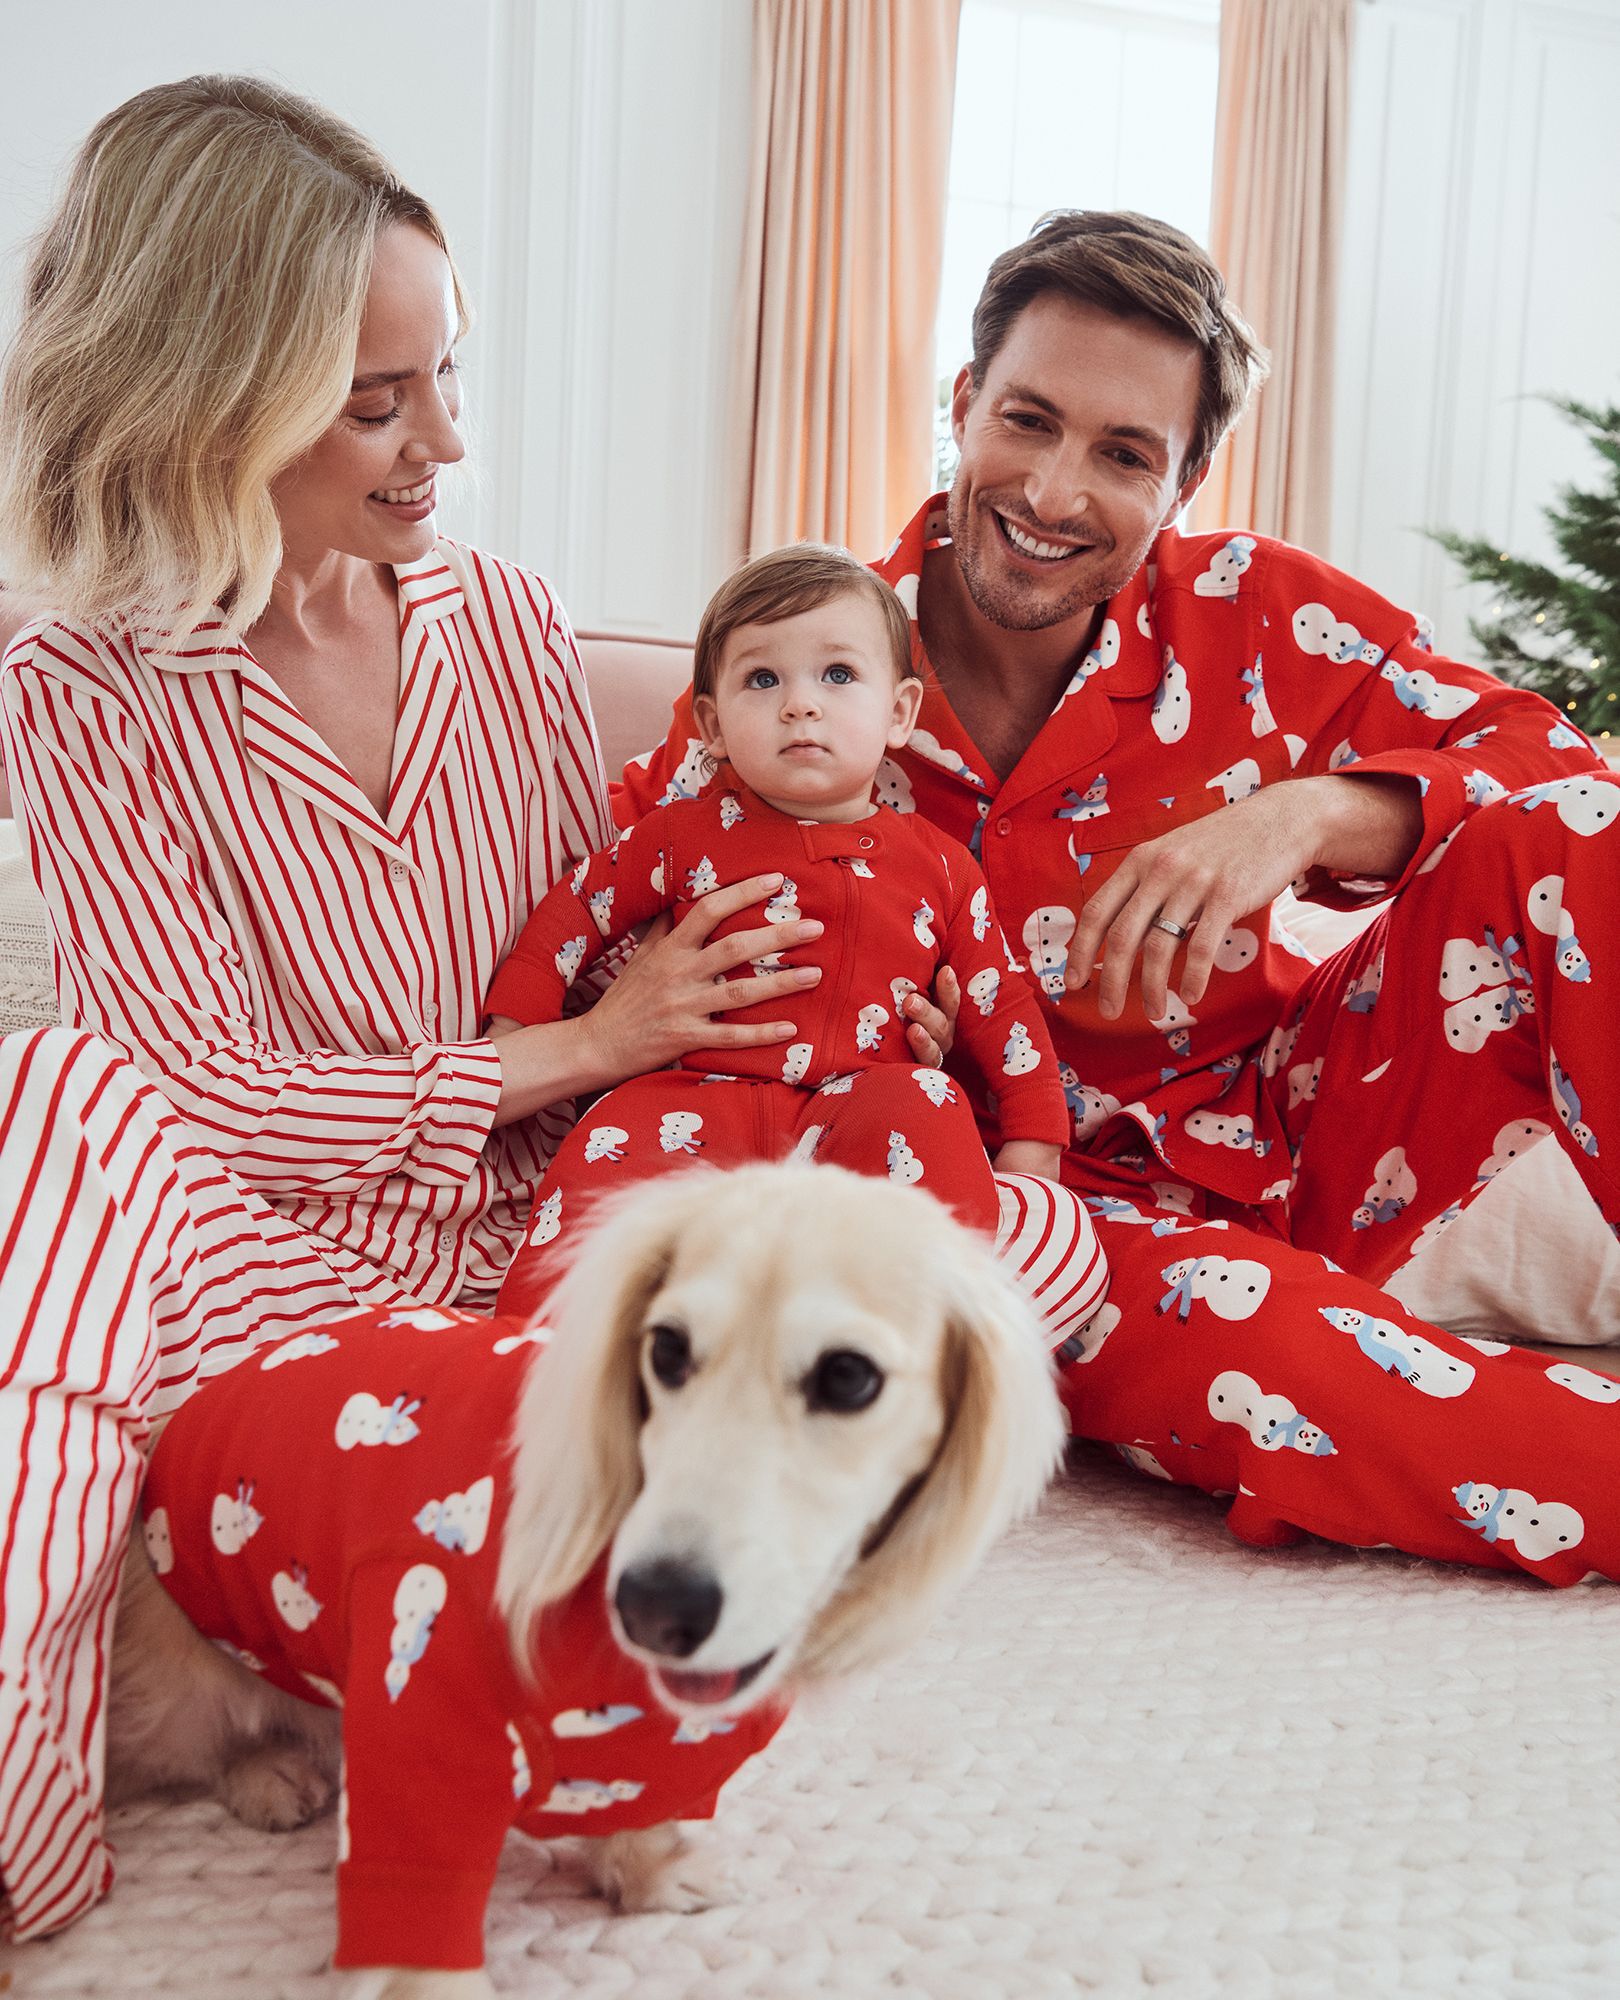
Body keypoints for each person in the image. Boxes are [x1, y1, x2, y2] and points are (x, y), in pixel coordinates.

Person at [0, 83, 1099, 1943]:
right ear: (199, 398)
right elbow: (208, 1089)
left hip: (552, 1227)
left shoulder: (505, 620)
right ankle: (35, 1770)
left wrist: (861, 1026)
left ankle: (495, 1577)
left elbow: (631, 915)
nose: (443, 440)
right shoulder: (79, 681)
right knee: (59, 1097)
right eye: (373, 401)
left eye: (446, 375)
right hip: (251, 1250)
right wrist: (592, 1045)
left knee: (1027, 1252)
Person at [621, 209, 1620, 1591]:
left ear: (1186, 480)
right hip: (1048, 1215)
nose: (1051, 489)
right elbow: (646, 941)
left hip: (1318, 1116)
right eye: (1026, 420)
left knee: (1582, 839)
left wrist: (1313, 814)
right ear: (962, 404)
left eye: (1124, 454)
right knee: (1279, 1358)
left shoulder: (1264, 615)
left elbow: (1551, 761)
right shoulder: (802, 665)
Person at [487, 544, 1069, 1317]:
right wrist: (514, 1028)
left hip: (863, 1105)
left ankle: (923, 1342)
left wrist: (1034, 1141)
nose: (800, 704)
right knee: (607, 1143)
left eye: (837, 676)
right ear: (713, 724)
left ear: (898, 714)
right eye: (763, 680)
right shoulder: (679, 836)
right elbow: (573, 912)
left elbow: (1000, 1005)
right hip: (692, 1096)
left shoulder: (940, 866)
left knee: (929, 1102)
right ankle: (542, 1353)